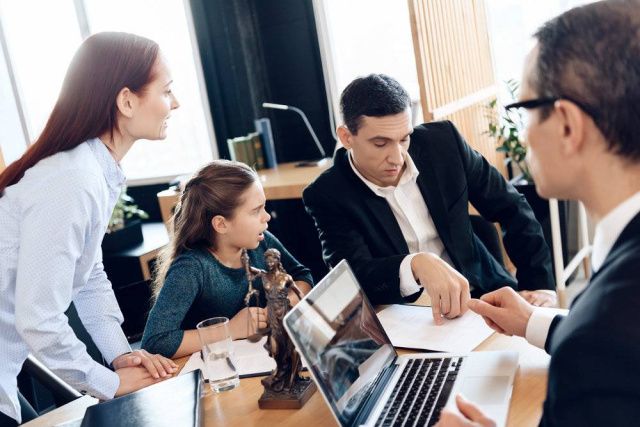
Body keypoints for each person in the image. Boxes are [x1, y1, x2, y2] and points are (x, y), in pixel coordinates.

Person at [436, 1, 640, 426]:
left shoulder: (599, 341)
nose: (524, 133)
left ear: (567, 125)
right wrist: (534, 321)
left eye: (524, 109)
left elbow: (608, 348)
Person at [0, 32, 179, 426]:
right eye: (167, 91)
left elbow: (89, 275)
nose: (176, 103)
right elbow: (38, 318)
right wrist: (108, 382)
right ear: (127, 101)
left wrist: (120, 355)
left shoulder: (93, 170)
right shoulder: (73, 179)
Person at [303, 74, 555, 325]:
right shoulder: (327, 194)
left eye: (404, 139)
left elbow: (511, 207)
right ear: (346, 137)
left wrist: (538, 285)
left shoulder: (444, 143)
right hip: (404, 320)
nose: (397, 157)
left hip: (482, 297)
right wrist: (414, 265)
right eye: (380, 144)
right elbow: (354, 278)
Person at [141, 160, 313, 359]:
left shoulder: (262, 241)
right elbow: (155, 342)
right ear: (221, 224)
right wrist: (230, 329)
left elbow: (302, 277)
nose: (266, 217)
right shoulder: (191, 268)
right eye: (256, 211)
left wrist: (283, 304)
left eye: (264, 207)